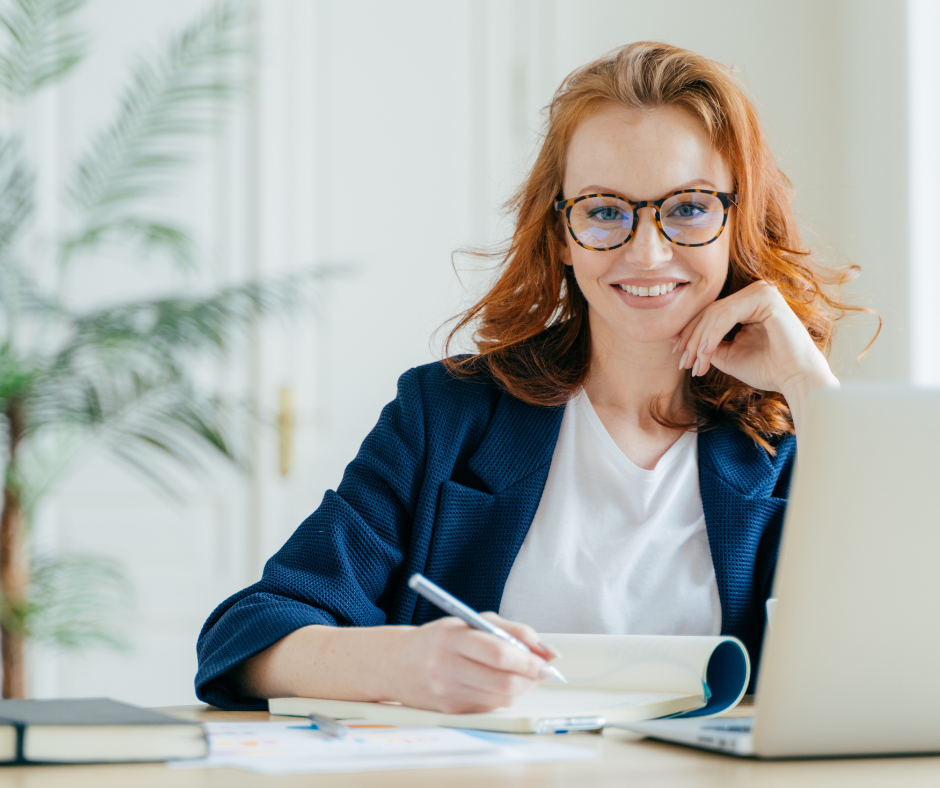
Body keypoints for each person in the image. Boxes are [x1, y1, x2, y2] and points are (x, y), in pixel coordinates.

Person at [195, 41, 873, 714]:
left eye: (690, 207)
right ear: (561, 236)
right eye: (605, 210)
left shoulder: (788, 434)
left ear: (737, 221)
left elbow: (895, 648)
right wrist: (401, 663)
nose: (647, 251)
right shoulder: (445, 415)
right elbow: (246, 637)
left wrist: (808, 385)